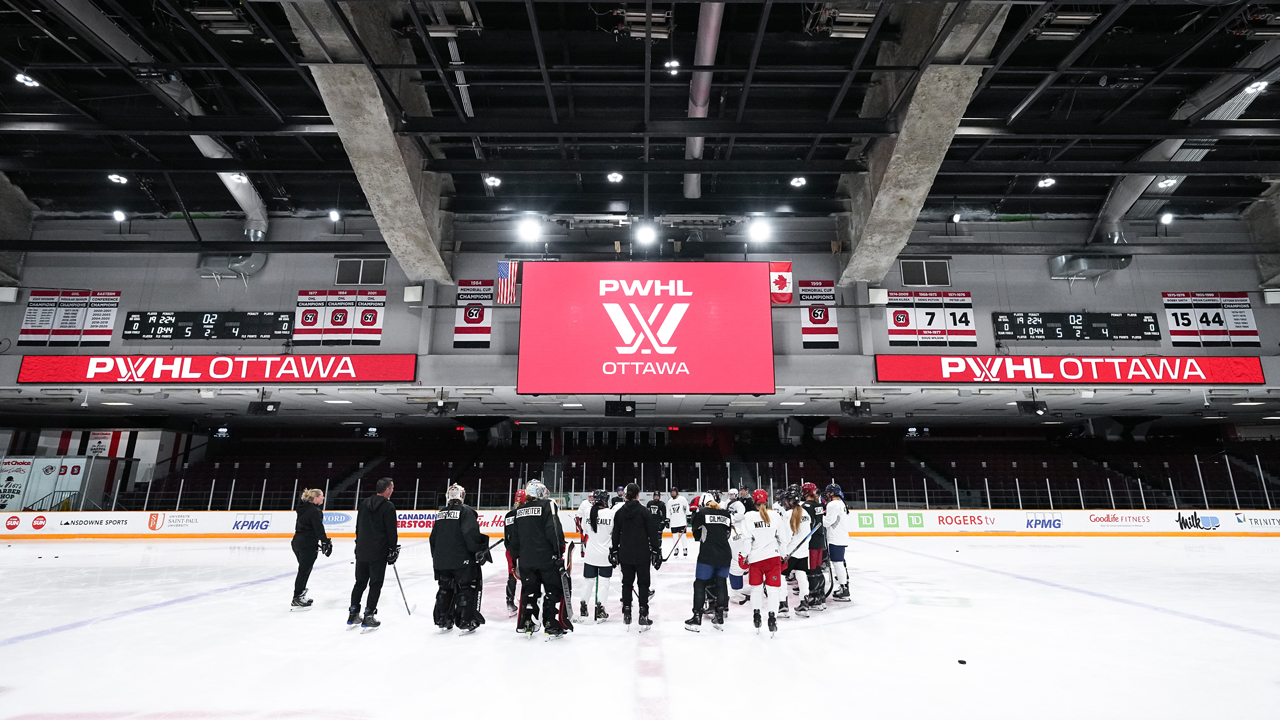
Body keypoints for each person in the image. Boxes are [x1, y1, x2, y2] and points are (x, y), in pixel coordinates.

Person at [508, 480, 573, 638]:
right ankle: (551, 623)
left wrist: (515, 559)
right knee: (552, 590)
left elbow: (513, 539)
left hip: (526, 561)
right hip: (546, 559)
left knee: (530, 591)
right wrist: (559, 552)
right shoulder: (547, 505)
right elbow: (554, 530)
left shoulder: (519, 510)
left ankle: (528, 621)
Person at [429, 483, 490, 633]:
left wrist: (437, 558)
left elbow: (433, 539)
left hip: (441, 561)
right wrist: (479, 549)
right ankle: (465, 621)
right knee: (465, 588)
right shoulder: (466, 511)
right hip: (461, 560)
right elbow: (470, 534)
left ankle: (443, 619)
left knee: (444, 588)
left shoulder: (441, 513)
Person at [348, 477, 399, 631]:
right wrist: (393, 549)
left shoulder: (364, 503)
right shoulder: (388, 506)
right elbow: (391, 531)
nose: (393, 490)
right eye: (392, 487)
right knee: (375, 584)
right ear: (388, 489)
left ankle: (353, 613)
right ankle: (369, 615)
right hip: (378, 551)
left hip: (362, 550)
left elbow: (358, 527)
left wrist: (358, 544)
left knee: (360, 583)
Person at [612, 482, 661, 630]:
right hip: (642, 553)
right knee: (643, 584)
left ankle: (627, 611)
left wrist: (614, 550)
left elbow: (615, 534)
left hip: (625, 553)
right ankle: (643, 613)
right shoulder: (644, 512)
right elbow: (652, 533)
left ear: (626, 495)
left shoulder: (619, 512)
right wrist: (656, 550)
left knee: (627, 583)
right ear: (638, 495)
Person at [740, 488, 787, 636]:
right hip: (773, 559)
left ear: (753, 501)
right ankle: (772, 618)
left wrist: (743, 556)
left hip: (755, 560)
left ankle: (756, 615)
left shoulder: (748, 517)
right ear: (767, 501)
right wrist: (784, 556)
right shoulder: (775, 515)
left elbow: (747, 540)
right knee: (773, 591)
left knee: (756, 590)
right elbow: (783, 539)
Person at [686, 490, 732, 632]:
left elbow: (696, 535)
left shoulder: (701, 513)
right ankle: (720, 616)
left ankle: (697, 617)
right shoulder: (725, 513)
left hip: (708, 555)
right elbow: (728, 533)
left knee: (699, 584)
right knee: (721, 583)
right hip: (725, 554)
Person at [291, 488, 331, 610]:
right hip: (306, 544)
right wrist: (325, 541)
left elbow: (307, 528)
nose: (323, 498)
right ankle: (297, 596)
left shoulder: (303, 509)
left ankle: (300, 594)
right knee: (304, 571)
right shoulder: (315, 511)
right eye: (322, 496)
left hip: (297, 542)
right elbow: (318, 528)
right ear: (315, 498)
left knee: (303, 570)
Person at [581, 489, 617, 622]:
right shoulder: (612, 513)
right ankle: (600, 609)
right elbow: (614, 533)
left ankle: (583, 607)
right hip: (605, 555)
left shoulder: (587, 511)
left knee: (588, 581)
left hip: (590, 553)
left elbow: (585, 530)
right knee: (604, 583)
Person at [778, 485, 812, 619]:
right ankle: (804, 604)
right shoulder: (806, 513)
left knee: (781, 576)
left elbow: (785, 537)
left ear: (790, 501)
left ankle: (783, 605)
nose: (785, 502)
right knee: (802, 576)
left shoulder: (788, 514)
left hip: (790, 552)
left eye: (786, 500)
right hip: (803, 551)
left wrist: (782, 552)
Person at [801, 482, 827, 611]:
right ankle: (821, 596)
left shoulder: (806, 506)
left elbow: (807, 525)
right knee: (817, 568)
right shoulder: (819, 504)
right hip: (820, 541)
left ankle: (815, 597)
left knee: (811, 570)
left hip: (811, 542)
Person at [823, 483, 852, 602]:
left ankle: (844, 589)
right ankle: (843, 586)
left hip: (835, 538)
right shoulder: (840, 503)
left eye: (828, 492)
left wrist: (817, 515)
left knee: (838, 563)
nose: (827, 494)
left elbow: (827, 522)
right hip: (840, 536)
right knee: (839, 562)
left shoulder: (833, 505)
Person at [725, 487, 754, 605]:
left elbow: (741, 516)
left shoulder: (739, 504)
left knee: (740, 556)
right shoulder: (727, 503)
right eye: (730, 494)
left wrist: (731, 518)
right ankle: (736, 588)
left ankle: (740, 586)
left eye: (733, 494)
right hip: (731, 531)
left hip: (740, 530)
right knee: (734, 557)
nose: (731, 496)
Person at [503, 489, 527, 616]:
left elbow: (506, 535)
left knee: (511, 577)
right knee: (526, 576)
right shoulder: (524, 514)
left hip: (510, 550)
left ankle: (509, 603)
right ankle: (525, 601)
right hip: (523, 550)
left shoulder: (508, 515)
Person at [575, 491, 595, 617]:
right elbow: (578, 516)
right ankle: (584, 553)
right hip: (587, 528)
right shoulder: (584, 504)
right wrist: (580, 528)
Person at [666, 488, 689, 557]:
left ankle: (685, 548)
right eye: (671, 492)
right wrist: (668, 519)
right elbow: (668, 512)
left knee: (683, 536)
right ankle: (676, 548)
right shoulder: (669, 502)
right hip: (673, 523)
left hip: (681, 522)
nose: (672, 493)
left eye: (674, 492)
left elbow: (686, 508)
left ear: (677, 492)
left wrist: (689, 515)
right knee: (674, 536)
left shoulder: (682, 499)